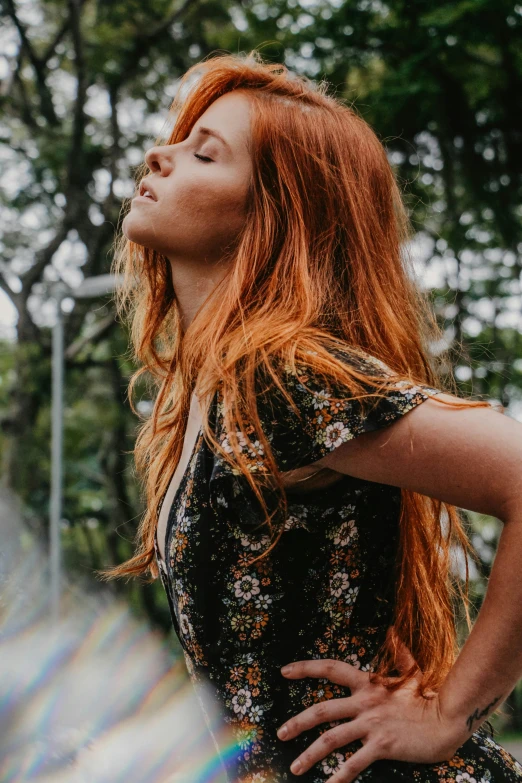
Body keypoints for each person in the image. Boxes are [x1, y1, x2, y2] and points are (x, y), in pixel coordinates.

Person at [101, 50, 522, 783]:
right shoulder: (218, 390)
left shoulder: (278, 380)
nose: (157, 154)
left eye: (205, 152)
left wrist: (451, 712)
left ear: (272, 214)